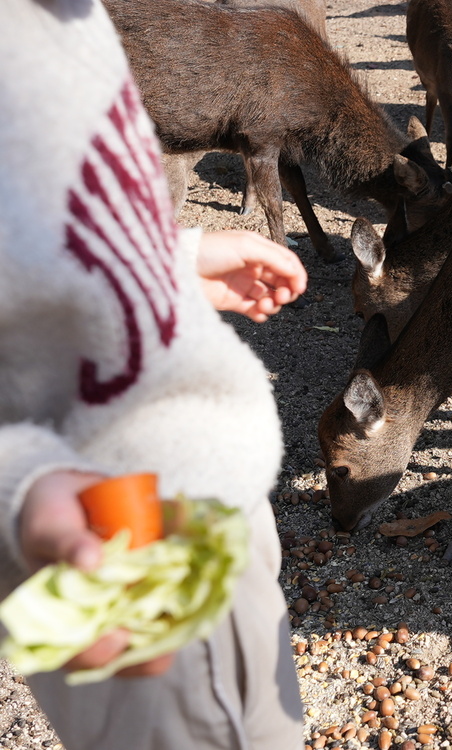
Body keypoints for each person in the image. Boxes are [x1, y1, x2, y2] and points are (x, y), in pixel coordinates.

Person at [0, 0, 308, 748]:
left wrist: (160, 264)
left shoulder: (57, 19)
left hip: (205, 494)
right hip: (111, 531)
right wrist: (20, 480)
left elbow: (34, 230)